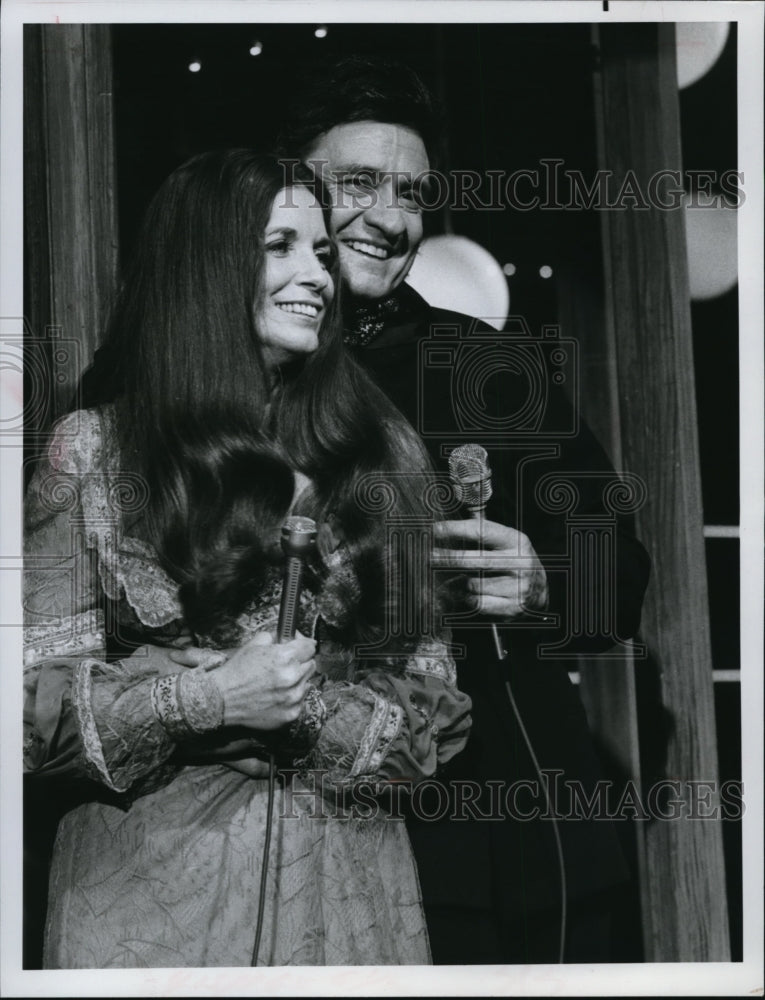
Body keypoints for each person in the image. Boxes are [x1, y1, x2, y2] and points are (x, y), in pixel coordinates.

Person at [23, 149, 472, 968]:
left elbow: (434, 716)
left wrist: (302, 710)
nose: (318, 277)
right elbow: (25, 709)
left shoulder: (383, 455)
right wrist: (203, 701)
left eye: (324, 254)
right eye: (281, 248)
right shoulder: (95, 453)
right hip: (153, 898)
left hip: (350, 895)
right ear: (205, 268)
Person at [277, 56, 652, 964]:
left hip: (500, 837)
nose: (391, 217)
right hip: (295, 839)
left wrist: (542, 581)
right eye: (357, 183)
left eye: (411, 191)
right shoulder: (236, 361)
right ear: (289, 189)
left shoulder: (481, 361)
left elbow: (622, 575)